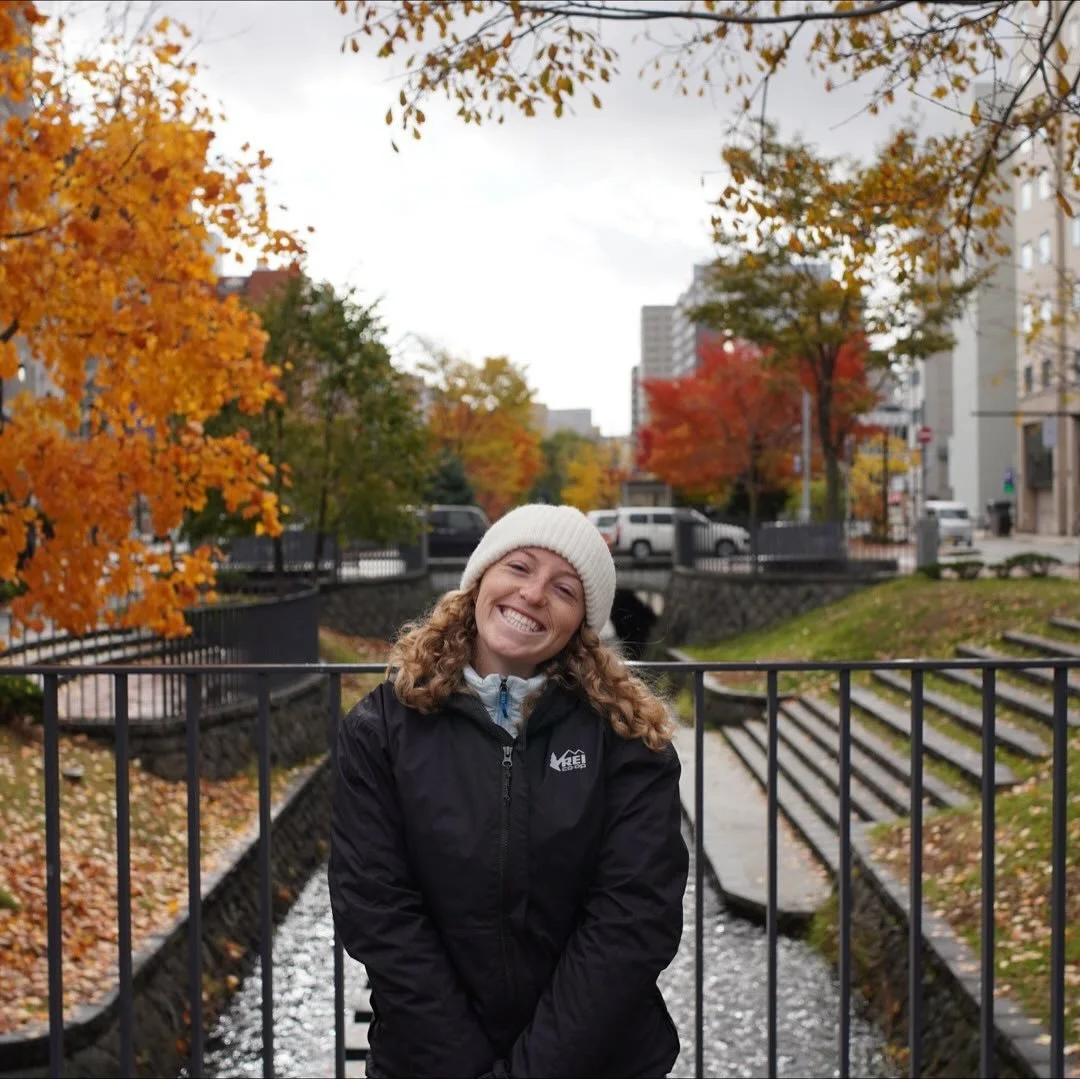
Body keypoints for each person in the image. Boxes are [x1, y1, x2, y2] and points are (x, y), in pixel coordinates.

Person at [329, 503, 689, 1078]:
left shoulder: (627, 741)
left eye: (564, 588)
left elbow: (632, 920)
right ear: (480, 578)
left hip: (595, 1061)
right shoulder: (381, 731)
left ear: (581, 623)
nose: (534, 593)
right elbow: (377, 911)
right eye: (519, 567)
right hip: (428, 1063)